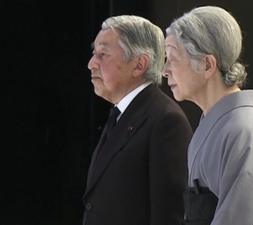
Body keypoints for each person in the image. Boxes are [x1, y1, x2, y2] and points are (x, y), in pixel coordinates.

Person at [162, 6, 253, 225]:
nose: (165, 70)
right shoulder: (219, 123)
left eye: (172, 58)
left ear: (207, 64)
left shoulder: (245, 128)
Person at [83, 15, 193, 225]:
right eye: (93, 53)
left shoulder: (166, 121)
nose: (91, 64)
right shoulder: (122, 113)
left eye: (103, 54)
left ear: (139, 65)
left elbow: (169, 216)